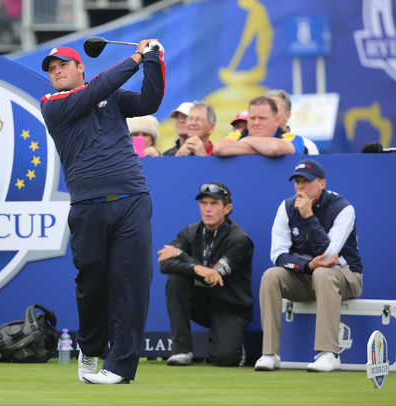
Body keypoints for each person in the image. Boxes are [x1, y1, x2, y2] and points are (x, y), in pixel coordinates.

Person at [40, 42, 165, 384]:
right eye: (51, 69)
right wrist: (137, 57)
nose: (56, 72)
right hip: (87, 207)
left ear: (80, 67)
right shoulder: (53, 105)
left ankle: (119, 367)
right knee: (92, 283)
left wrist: (154, 59)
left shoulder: (113, 96)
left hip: (132, 199)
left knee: (131, 284)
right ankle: (91, 346)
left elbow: (148, 102)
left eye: (62, 65)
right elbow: (97, 89)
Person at [254, 159, 363, 372]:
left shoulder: (343, 208)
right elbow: (278, 255)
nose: (300, 186)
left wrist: (308, 216)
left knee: (323, 273)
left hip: (346, 276)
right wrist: (307, 266)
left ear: (321, 183)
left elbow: (329, 256)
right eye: (297, 181)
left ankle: (329, 354)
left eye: (307, 181)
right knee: (271, 275)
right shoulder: (286, 207)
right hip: (308, 276)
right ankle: (270, 353)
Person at [158, 182, 254, 367]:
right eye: (203, 203)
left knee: (225, 359)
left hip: (230, 307)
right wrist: (196, 268)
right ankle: (181, 351)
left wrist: (181, 255)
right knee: (176, 279)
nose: (207, 209)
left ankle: (234, 344)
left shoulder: (239, 239)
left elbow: (214, 276)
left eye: (214, 203)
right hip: (201, 304)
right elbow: (165, 263)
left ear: (227, 208)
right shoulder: (189, 232)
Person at [214, 96, 311, 157]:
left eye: (262, 118)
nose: (256, 123)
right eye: (252, 118)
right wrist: (264, 150)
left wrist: (248, 140)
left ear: (276, 120)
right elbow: (219, 148)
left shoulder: (292, 138)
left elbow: (275, 149)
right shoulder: (237, 135)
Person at [263, 89, 318, 155]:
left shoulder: (306, 146)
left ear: (287, 115)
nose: (267, 115)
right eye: (264, 111)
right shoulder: (249, 145)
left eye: (274, 110)